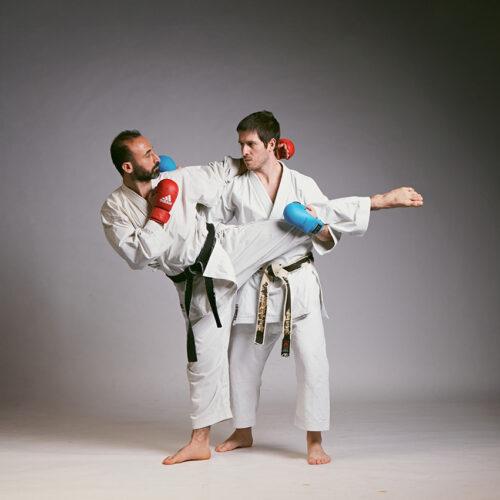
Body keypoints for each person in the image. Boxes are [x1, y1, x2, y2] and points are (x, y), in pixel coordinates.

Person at [100, 129, 337, 465]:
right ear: (127, 167)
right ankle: (200, 443)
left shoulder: (175, 179)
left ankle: (370, 206)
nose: (156, 158)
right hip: (196, 286)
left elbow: (222, 170)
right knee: (203, 361)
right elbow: (137, 255)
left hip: (223, 250)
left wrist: (270, 156)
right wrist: (160, 213)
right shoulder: (114, 208)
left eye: (153, 150)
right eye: (147, 154)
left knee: (293, 224)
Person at [206, 111, 423, 465]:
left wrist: (314, 226)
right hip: (256, 285)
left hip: (298, 284)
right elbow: (213, 225)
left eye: (251, 144)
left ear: (272, 145)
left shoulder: (302, 183)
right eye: (240, 144)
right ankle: (242, 431)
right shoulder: (235, 187)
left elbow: (327, 234)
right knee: (241, 363)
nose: (243, 151)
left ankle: (315, 440)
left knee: (314, 363)